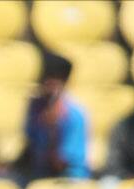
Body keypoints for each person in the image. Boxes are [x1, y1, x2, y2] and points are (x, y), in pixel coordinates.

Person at [16, 52, 89, 181]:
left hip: (68, 179)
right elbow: (30, 149)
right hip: (37, 174)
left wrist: (52, 130)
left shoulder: (74, 114)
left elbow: (60, 164)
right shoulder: (35, 107)